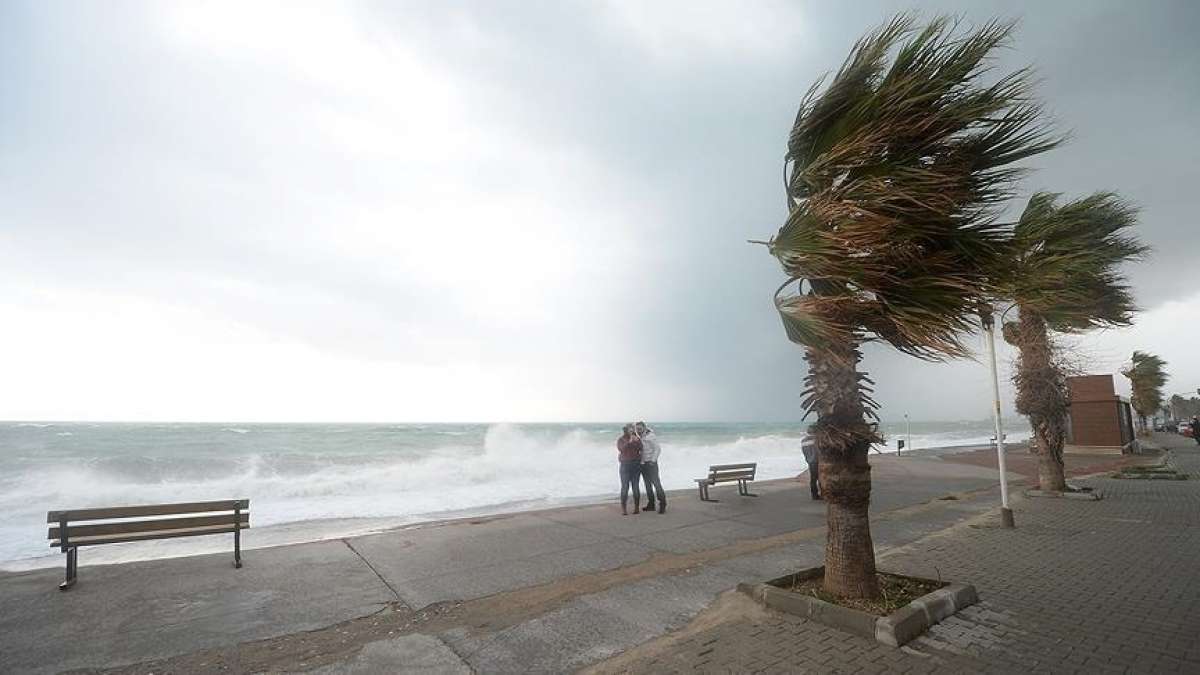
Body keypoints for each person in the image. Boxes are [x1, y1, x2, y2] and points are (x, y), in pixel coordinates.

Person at [636, 421, 666, 514]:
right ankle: (651, 504)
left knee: (656, 484)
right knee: (647, 485)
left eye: (640, 428)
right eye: (637, 429)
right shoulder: (639, 437)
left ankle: (663, 504)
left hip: (651, 464)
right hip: (643, 464)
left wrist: (653, 461)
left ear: (644, 428)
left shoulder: (651, 436)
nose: (638, 430)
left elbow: (657, 449)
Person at [617, 424, 643, 515]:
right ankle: (624, 509)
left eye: (633, 429)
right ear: (626, 430)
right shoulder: (621, 439)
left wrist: (637, 441)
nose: (632, 430)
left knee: (635, 486)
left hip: (635, 464)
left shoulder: (636, 438)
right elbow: (621, 449)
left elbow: (641, 448)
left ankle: (636, 508)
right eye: (630, 429)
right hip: (625, 465)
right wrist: (630, 442)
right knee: (625, 487)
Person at [801, 436, 821, 500]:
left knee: (813, 479)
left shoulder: (803, 441)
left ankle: (814, 494)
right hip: (817, 460)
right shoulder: (815, 440)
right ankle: (821, 493)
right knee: (819, 478)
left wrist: (808, 459)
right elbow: (817, 451)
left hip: (810, 461)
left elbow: (804, 452)